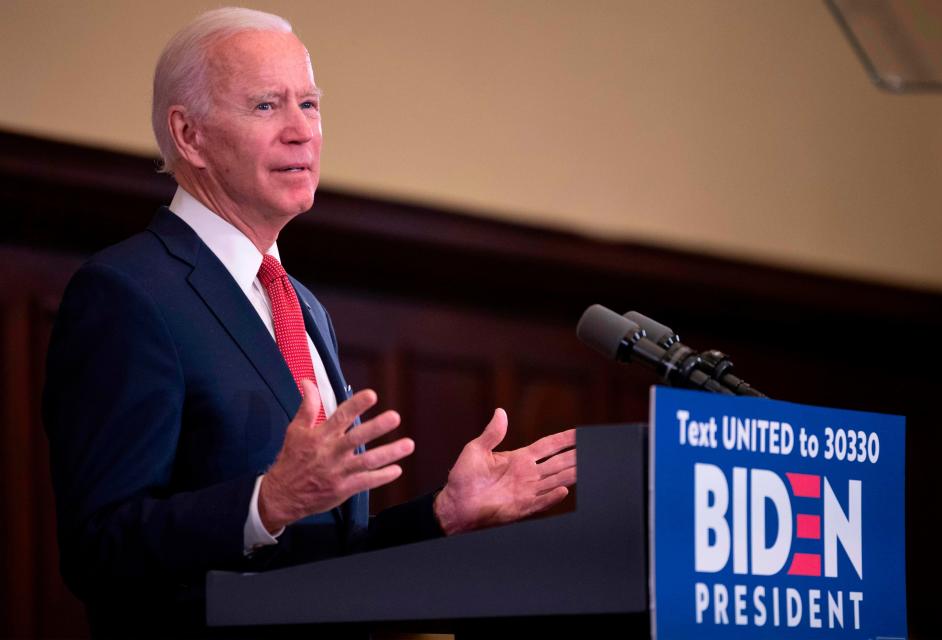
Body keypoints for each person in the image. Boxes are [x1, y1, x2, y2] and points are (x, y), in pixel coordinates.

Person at [42, 7, 576, 637]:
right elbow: (98, 549)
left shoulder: (300, 304)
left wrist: (443, 514)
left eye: (311, 105)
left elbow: (323, 565)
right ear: (189, 136)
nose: (302, 132)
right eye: (267, 106)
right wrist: (265, 504)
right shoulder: (127, 293)